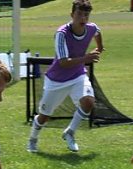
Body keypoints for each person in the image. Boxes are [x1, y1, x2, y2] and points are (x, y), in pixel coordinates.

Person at [26, 0, 103, 154]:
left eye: (86, 15)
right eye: (79, 14)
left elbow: (97, 32)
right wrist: (86, 58)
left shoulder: (91, 28)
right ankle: (33, 139)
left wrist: (100, 48)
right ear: (71, 15)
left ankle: (70, 132)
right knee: (44, 116)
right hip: (56, 80)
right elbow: (63, 62)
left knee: (88, 102)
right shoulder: (61, 34)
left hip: (78, 75)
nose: (83, 18)